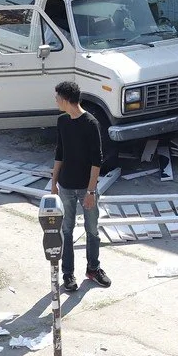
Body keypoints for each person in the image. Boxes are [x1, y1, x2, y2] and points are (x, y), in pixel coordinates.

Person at [47, 80, 111, 292]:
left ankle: (93, 268)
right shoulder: (62, 121)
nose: (55, 101)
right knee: (66, 230)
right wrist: (54, 183)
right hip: (66, 187)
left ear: (65, 100)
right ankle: (68, 274)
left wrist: (91, 191)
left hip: (86, 188)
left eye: (57, 98)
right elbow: (60, 152)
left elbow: (97, 161)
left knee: (92, 230)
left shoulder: (91, 123)